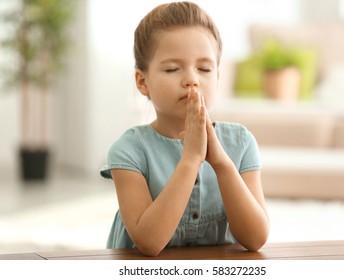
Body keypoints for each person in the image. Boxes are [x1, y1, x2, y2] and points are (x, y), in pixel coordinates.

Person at [100, 1, 269, 257]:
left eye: (204, 68)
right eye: (172, 68)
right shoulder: (128, 151)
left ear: (218, 77)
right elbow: (149, 242)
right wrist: (190, 159)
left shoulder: (241, 143)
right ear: (142, 81)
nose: (192, 79)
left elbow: (256, 239)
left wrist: (221, 162)